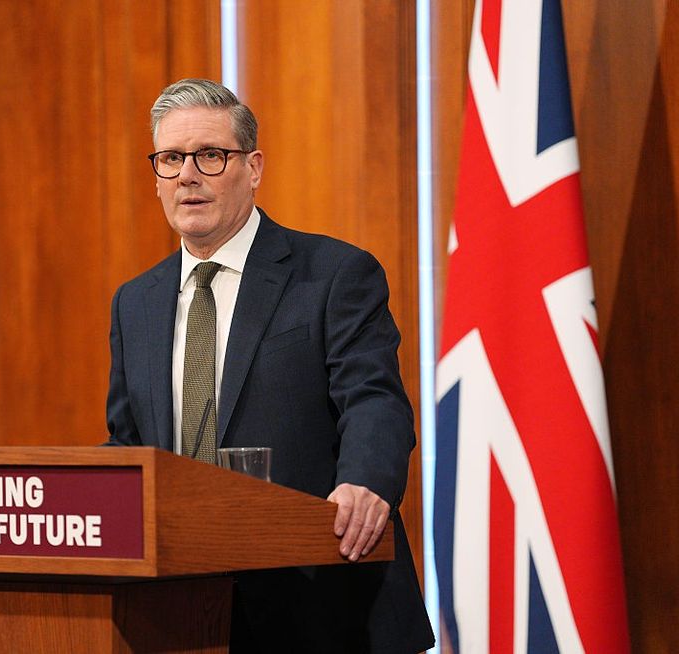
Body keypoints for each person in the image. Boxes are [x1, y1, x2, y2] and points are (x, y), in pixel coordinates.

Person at [105, 78, 434, 653]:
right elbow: (128, 443)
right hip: (180, 612)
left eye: (211, 155)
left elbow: (374, 398)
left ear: (253, 168)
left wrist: (364, 480)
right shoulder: (136, 302)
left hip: (323, 607)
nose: (188, 175)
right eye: (170, 158)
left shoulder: (333, 274)